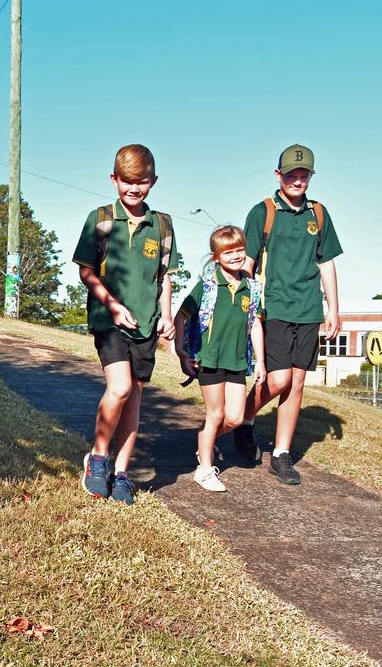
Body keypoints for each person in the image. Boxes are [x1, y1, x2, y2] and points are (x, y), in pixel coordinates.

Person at [72, 144, 179, 505]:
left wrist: (166, 316)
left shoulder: (161, 225)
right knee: (118, 388)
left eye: (142, 182)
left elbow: (164, 276)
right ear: (114, 179)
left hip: (147, 324)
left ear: (154, 181)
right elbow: (86, 272)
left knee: (134, 396)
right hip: (109, 319)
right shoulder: (100, 219)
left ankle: (121, 471)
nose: (134, 189)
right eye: (127, 181)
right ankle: (98, 459)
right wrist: (113, 305)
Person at [232, 144, 342, 485]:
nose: (297, 180)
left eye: (304, 175)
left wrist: (334, 308)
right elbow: (247, 262)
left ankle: (281, 454)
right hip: (274, 307)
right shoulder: (262, 212)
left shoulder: (319, 214)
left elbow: (326, 262)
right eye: (291, 174)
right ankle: (244, 420)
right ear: (278, 174)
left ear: (310, 176)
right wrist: (243, 306)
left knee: (296, 383)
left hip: (309, 309)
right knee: (277, 380)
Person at [174, 226, 266, 492]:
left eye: (240, 250)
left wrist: (260, 360)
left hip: (237, 361)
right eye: (228, 252)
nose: (236, 256)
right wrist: (181, 351)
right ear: (216, 257)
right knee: (215, 414)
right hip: (209, 359)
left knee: (236, 418)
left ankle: (204, 439)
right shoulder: (208, 285)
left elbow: (256, 325)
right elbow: (182, 315)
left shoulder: (252, 288)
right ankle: (204, 470)